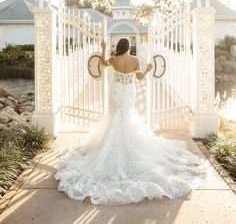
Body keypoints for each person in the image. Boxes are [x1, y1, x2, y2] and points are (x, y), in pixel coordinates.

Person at [55, 37, 208, 205]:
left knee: (114, 116)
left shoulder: (114, 59)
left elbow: (103, 64)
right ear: (129, 47)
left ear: (119, 47)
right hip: (128, 90)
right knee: (126, 114)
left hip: (116, 90)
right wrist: (149, 68)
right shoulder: (135, 60)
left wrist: (104, 47)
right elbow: (141, 77)